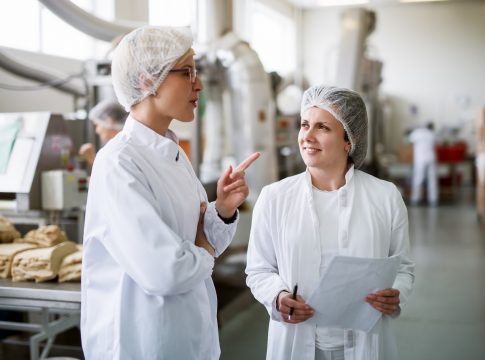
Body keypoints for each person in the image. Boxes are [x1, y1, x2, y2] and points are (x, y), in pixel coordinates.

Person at [81, 26, 259, 359]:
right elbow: (165, 271)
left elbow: (201, 244)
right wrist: (202, 247)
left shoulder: (171, 153)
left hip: (185, 333)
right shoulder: (119, 162)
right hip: (142, 340)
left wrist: (221, 209)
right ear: (148, 80)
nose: (199, 84)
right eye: (187, 72)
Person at [245, 85, 415, 360]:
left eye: (322, 127)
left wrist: (396, 292)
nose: (307, 137)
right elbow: (258, 270)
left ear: (349, 140)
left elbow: (403, 267)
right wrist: (278, 297)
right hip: (297, 339)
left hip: (365, 340)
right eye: (304, 125)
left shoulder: (385, 197)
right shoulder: (274, 197)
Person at [78, 99, 128, 168]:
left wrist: (92, 159)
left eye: (97, 125)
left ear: (109, 120)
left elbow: (113, 175)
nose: (97, 131)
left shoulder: (121, 149)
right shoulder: (118, 145)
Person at [409, 122, 438, 206]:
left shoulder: (416, 133)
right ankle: (433, 199)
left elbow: (408, 140)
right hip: (431, 158)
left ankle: (415, 199)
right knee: (432, 179)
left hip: (420, 159)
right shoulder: (431, 133)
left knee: (418, 179)